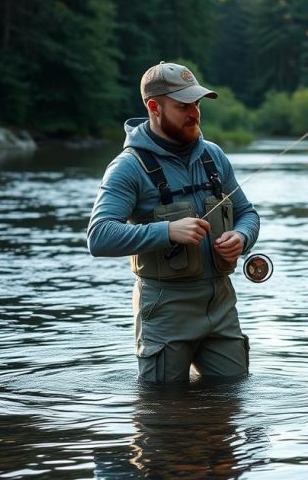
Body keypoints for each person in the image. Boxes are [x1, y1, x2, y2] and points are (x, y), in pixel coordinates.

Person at [87, 61, 260, 383]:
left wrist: (241, 236)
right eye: (183, 106)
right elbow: (99, 237)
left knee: (232, 401)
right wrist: (167, 231)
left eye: (196, 103)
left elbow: (248, 213)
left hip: (221, 307)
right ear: (154, 107)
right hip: (165, 313)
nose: (194, 113)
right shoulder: (128, 167)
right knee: (162, 414)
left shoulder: (214, 157)